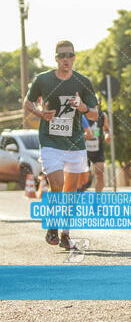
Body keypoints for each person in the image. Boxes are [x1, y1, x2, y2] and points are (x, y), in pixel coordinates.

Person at [24, 40, 98, 250]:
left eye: (69, 55)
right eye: (61, 56)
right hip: (50, 140)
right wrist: (39, 113)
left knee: (71, 190)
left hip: (75, 143)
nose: (66, 59)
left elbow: (94, 113)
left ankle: (65, 234)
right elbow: (27, 102)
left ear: (74, 58)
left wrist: (82, 106)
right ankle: (53, 227)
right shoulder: (43, 79)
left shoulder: (83, 82)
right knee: (56, 184)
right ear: (56, 58)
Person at [84, 97, 110, 192]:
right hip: (84, 150)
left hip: (98, 149)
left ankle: (97, 201)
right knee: (83, 176)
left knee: (100, 173)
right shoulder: (82, 115)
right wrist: (85, 136)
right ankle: (78, 197)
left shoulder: (102, 116)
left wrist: (107, 135)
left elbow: (106, 129)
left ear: (98, 103)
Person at [76, 115, 94, 192]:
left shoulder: (80, 116)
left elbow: (90, 134)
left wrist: (77, 137)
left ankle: (78, 192)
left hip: (79, 151)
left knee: (83, 179)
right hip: (61, 151)